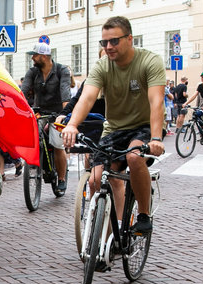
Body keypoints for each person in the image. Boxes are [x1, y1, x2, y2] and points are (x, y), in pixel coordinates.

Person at [61, 16, 165, 235]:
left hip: (144, 126)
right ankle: (109, 236)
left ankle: (144, 216)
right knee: (96, 180)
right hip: (115, 129)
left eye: (114, 41)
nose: (108, 47)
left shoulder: (149, 61)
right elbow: (87, 98)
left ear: (129, 39)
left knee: (134, 157)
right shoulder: (102, 66)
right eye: (104, 42)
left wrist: (156, 138)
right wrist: (72, 124)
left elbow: (157, 102)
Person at [20, 41, 71, 192]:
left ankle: (61, 178)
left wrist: (64, 116)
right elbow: (23, 92)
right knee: (33, 135)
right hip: (38, 112)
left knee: (56, 143)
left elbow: (65, 94)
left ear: (43, 56)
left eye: (34, 55)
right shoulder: (33, 72)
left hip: (57, 113)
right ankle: (37, 163)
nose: (32, 58)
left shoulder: (62, 71)